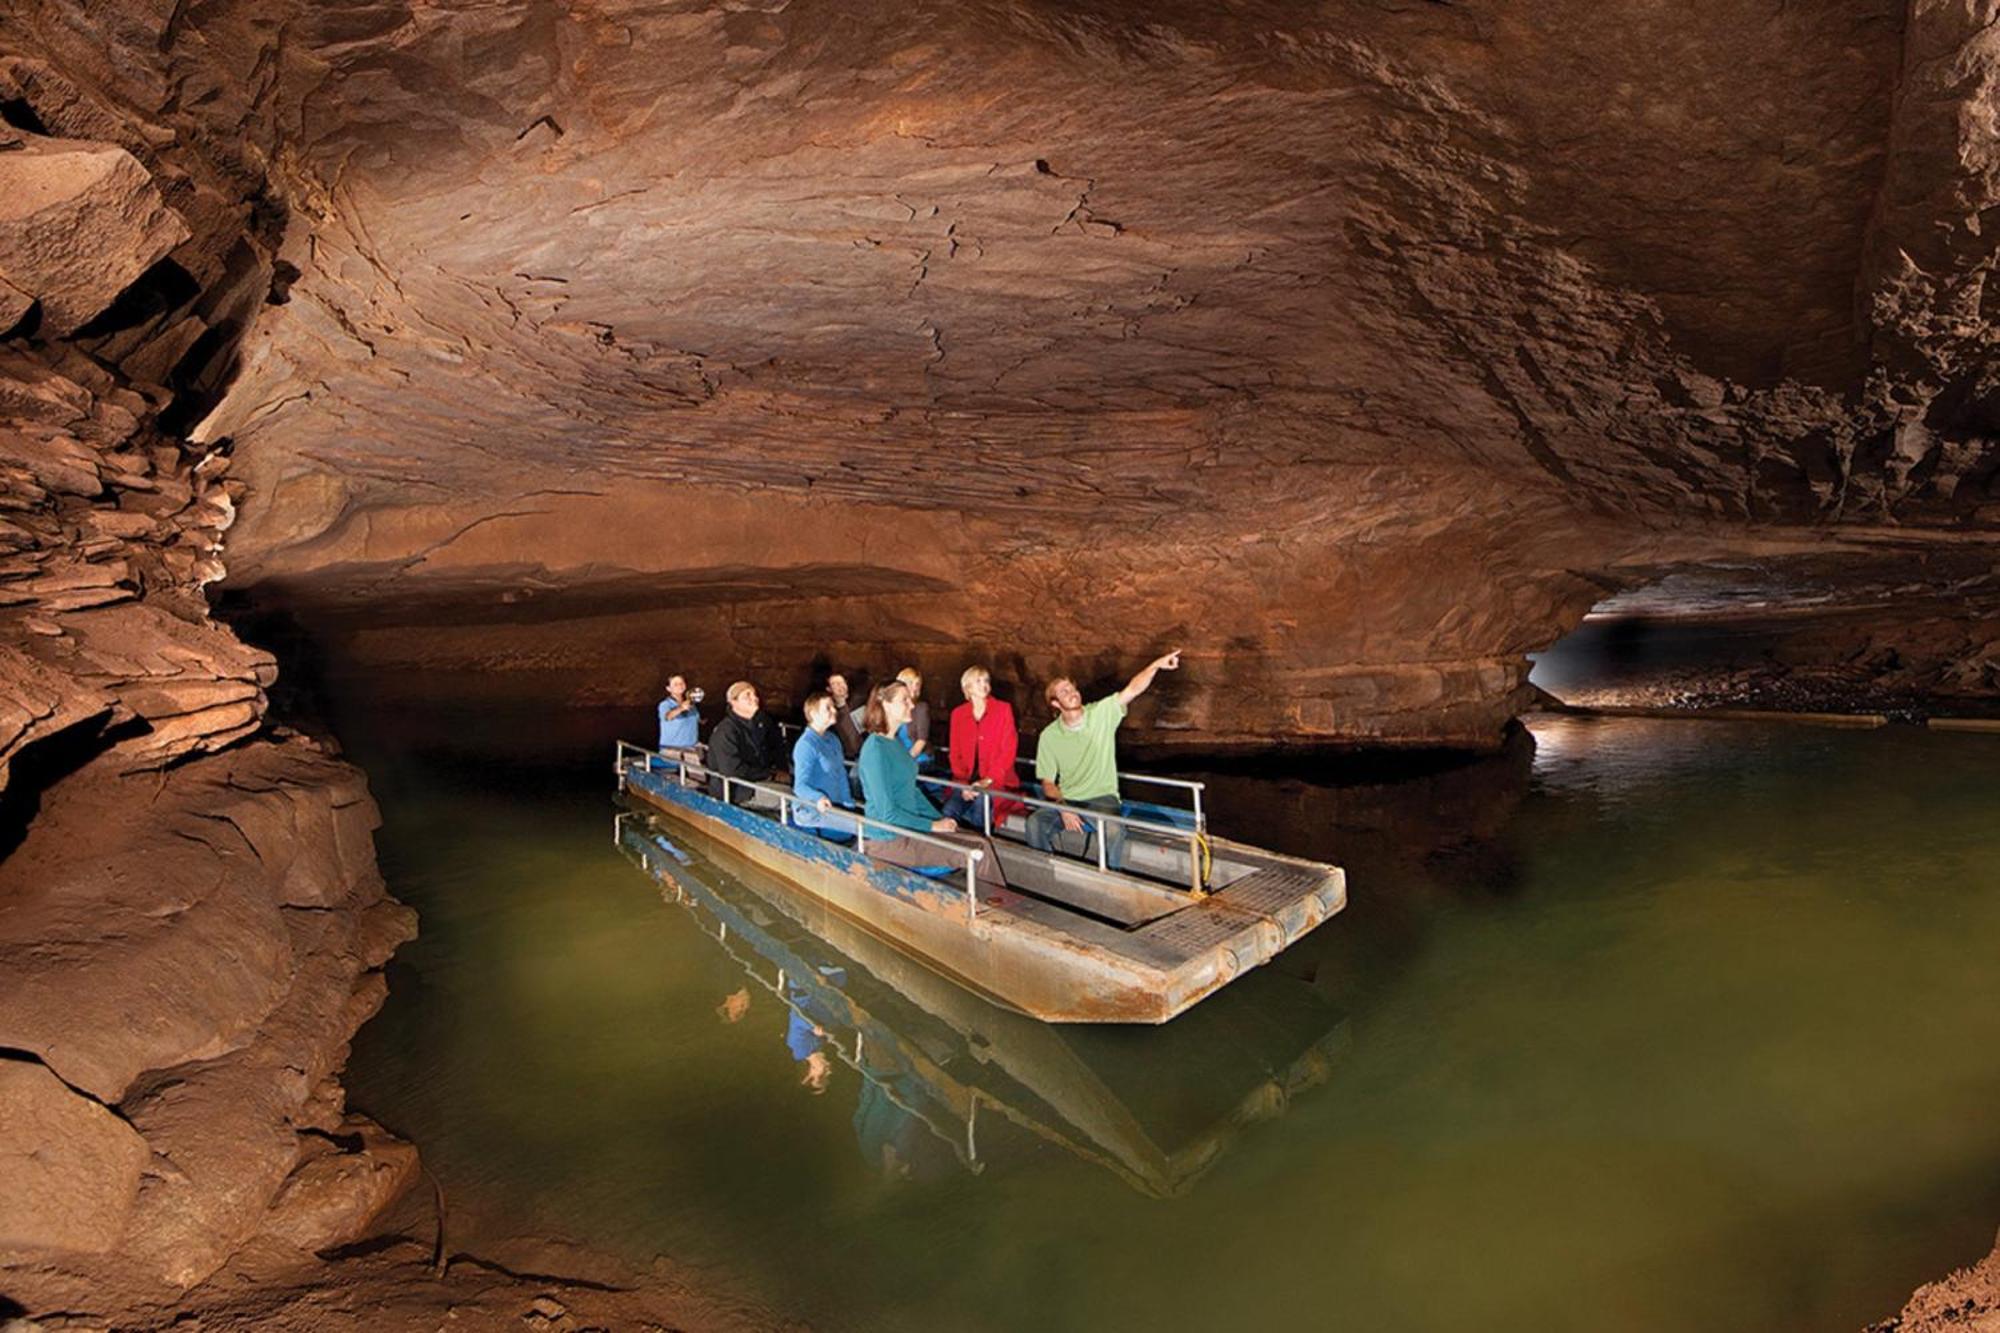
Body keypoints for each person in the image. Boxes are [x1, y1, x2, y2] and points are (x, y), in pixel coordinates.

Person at [1029, 649, 1183, 870]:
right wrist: (1063, 807)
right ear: (1055, 703)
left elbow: (1132, 689)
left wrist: (1156, 665)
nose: (1072, 693)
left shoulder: (1101, 713)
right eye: (1064, 691)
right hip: (1068, 797)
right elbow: (1048, 783)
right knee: (1035, 823)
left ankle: (1111, 876)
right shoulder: (1049, 736)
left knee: (1113, 828)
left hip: (1102, 798)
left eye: (1073, 688)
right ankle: (1042, 872)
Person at [856, 681, 1007, 892]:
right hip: (889, 839)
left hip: (909, 829)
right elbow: (886, 814)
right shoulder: (875, 749)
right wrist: (933, 827)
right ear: (886, 705)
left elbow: (912, 792)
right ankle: (994, 910)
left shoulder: (895, 745)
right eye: (904, 700)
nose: (911, 704)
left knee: (979, 840)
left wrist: (939, 819)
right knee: (977, 850)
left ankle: (992, 900)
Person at [941, 665, 1024, 830]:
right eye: (978, 681)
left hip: (996, 781)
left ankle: (980, 847)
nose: (984, 684)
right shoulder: (958, 714)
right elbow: (955, 752)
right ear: (968, 687)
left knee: (981, 805)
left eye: (986, 680)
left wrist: (987, 780)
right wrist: (964, 783)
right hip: (966, 780)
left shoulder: (1003, 709)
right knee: (949, 811)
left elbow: (1008, 749)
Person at [791, 692, 859, 841]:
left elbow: (840, 773)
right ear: (813, 714)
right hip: (813, 809)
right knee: (863, 828)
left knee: (863, 822)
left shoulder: (832, 739)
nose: (834, 710)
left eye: (833, 706)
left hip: (834, 805)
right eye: (828, 708)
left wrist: (848, 802)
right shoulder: (806, 745)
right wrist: (819, 798)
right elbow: (800, 786)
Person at [707, 680, 786, 805]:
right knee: (790, 797)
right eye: (747, 696)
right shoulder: (726, 731)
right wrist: (770, 775)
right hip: (739, 790)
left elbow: (777, 748)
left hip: (760, 778)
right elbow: (732, 771)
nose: (754, 698)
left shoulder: (762, 722)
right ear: (734, 702)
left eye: (754, 694)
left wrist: (782, 771)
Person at [894, 666, 932, 766]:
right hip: (899, 757)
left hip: (919, 758)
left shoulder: (921, 708)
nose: (915, 687)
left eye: (917, 684)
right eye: (911, 683)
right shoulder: (894, 707)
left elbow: (921, 740)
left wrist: (906, 761)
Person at [657, 674, 701, 754]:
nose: (680, 686)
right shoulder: (665, 705)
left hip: (691, 749)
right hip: (672, 750)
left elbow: (697, 720)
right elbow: (668, 716)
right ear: (668, 688)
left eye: (682, 683)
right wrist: (681, 708)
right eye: (675, 684)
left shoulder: (691, 705)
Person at [826, 672, 865, 760]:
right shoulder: (829, 712)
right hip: (846, 758)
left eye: (841, 682)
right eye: (834, 684)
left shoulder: (858, 703)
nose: (839, 686)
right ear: (829, 689)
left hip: (864, 752)